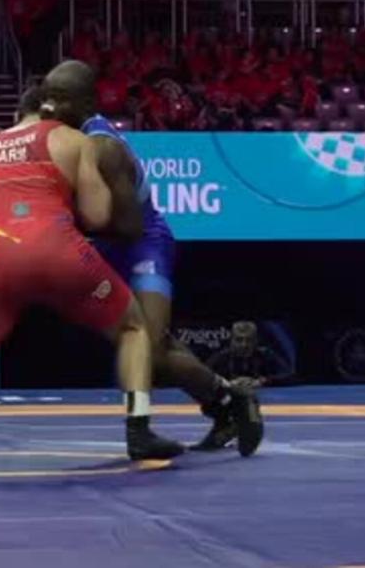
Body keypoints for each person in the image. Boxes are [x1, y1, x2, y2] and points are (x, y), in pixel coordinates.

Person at [0, 89, 184, 478]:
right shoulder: (72, 139)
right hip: (62, 255)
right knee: (134, 328)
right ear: (50, 111)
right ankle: (139, 431)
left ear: (18, 113)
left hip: (1, 262)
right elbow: (98, 216)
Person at [39, 60, 264, 456]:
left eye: (61, 99)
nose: (50, 108)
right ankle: (227, 403)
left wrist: (71, 227)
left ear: (87, 103)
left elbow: (129, 227)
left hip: (143, 243)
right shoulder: (61, 138)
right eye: (47, 98)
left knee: (151, 350)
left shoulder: (104, 148)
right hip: (107, 245)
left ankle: (218, 405)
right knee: (152, 345)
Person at [207, 320, 289, 390]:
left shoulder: (266, 355)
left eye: (249, 340)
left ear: (256, 341)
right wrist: (226, 383)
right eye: (239, 340)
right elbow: (205, 378)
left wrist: (262, 381)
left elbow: (289, 376)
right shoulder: (220, 358)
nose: (244, 345)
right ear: (231, 340)